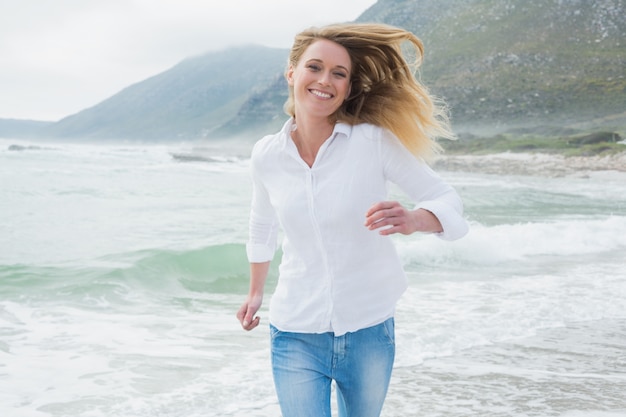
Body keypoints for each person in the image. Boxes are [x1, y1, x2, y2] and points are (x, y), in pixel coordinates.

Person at [236, 22, 469, 417]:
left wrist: (414, 219)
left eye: (338, 73)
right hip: (295, 330)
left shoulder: (372, 142)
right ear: (291, 73)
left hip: (368, 329)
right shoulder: (267, 155)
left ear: (347, 87)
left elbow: (447, 199)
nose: (325, 80)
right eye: (315, 67)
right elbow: (262, 225)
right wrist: (256, 292)